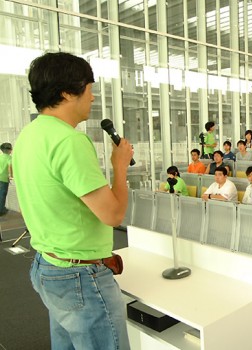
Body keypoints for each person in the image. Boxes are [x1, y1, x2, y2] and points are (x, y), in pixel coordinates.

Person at [13, 52, 133, 349]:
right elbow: (113, 215)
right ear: (68, 92)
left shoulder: (28, 136)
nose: (93, 98)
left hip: (48, 266)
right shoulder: (69, 141)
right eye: (89, 90)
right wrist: (119, 166)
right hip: (80, 278)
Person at [0, 142, 13, 216]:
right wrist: (11, 175)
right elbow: (10, 166)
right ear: (9, 150)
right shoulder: (9, 157)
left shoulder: (0, 157)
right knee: (2, 194)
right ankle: (1, 210)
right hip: (3, 179)